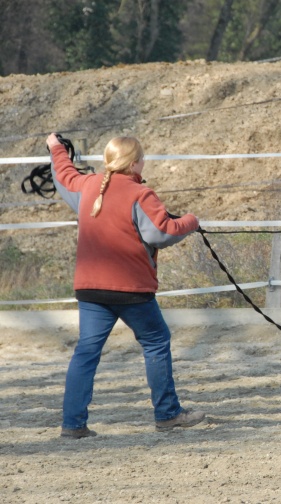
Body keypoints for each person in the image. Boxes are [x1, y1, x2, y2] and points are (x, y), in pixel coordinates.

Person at [47, 133, 206, 439]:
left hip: (90, 288)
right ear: (135, 163)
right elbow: (163, 232)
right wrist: (191, 221)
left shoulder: (86, 185)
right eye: (142, 159)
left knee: (86, 352)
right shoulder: (140, 193)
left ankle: (73, 424)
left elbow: (64, 175)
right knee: (157, 341)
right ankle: (168, 414)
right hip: (131, 289)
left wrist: (56, 147)